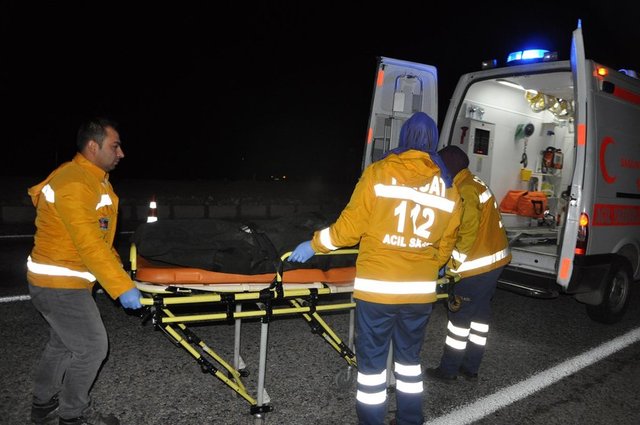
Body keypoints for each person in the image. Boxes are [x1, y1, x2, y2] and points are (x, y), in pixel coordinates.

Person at [288, 112, 461, 425]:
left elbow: (349, 228)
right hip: (419, 293)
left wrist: (315, 244)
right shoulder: (449, 186)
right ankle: (410, 419)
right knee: (409, 362)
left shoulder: (379, 172)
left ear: (403, 137)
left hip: (378, 291)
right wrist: (433, 265)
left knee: (372, 367)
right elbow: (448, 241)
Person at [27, 117, 142, 425]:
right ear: (93, 146)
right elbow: (89, 243)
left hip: (61, 280)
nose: (121, 153)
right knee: (92, 347)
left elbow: (101, 239)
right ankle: (73, 414)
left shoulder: (94, 180)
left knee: (63, 343)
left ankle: (43, 404)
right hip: (59, 283)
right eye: (115, 146)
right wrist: (121, 287)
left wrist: (121, 272)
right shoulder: (74, 183)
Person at [426, 145, 511, 383]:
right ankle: (470, 367)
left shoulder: (464, 190)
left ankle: (448, 371)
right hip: (493, 263)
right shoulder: (475, 182)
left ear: (448, 167)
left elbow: (466, 233)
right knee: (480, 318)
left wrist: (452, 268)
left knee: (459, 320)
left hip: (475, 267)